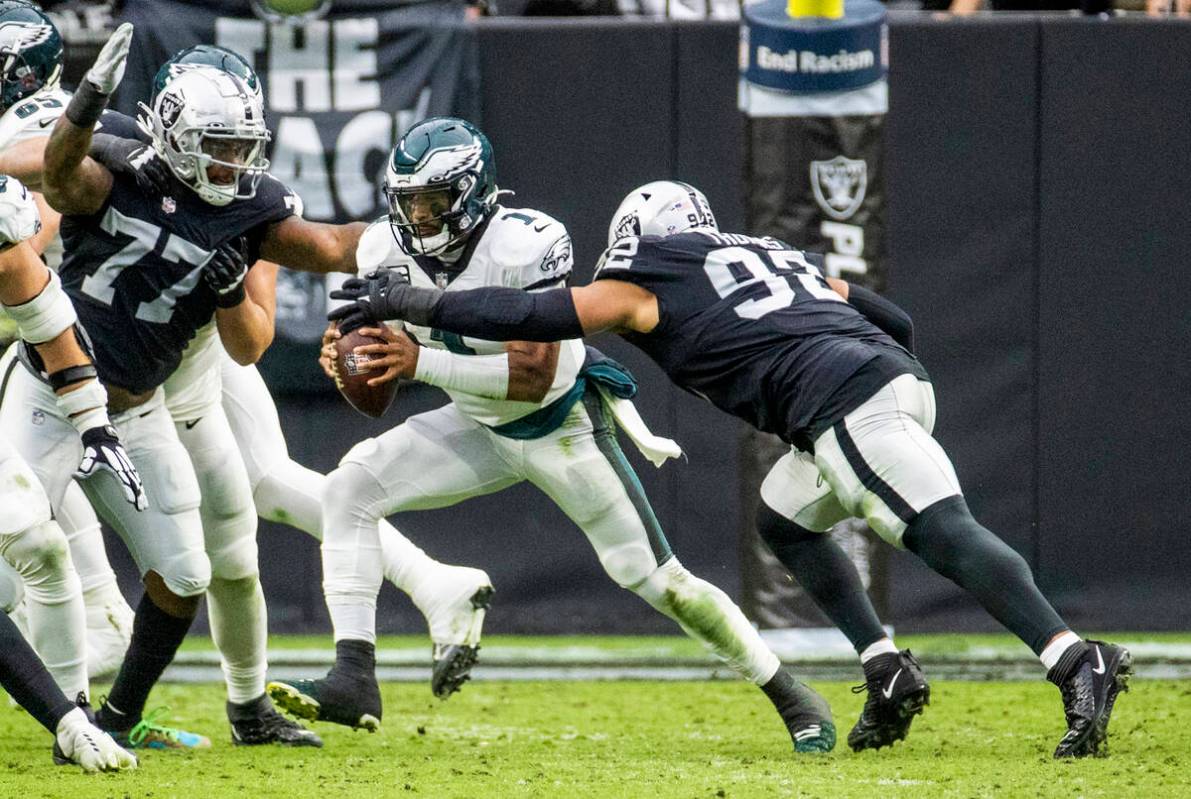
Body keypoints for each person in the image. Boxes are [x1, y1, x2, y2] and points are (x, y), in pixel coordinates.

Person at [331, 179, 1133, 759]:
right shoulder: (772, 251)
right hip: (875, 376)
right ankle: (884, 665)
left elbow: (543, 315)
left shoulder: (649, 275)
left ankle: (1072, 655)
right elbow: (896, 317)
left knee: (940, 532)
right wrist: (889, 383)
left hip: (839, 399)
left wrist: (417, 304)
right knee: (785, 519)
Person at [269, 118, 837, 754]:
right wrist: (354, 366)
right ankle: (353, 676)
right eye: (407, 203)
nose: (418, 218)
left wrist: (415, 361)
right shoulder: (383, 252)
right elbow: (376, 398)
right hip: (477, 425)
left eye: (432, 202)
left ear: (472, 194)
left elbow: (534, 377)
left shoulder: (527, 244)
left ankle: (792, 695)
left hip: (560, 428)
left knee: (657, 580)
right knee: (348, 489)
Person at [17, 21, 356, 750]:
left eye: (244, 147)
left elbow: (331, 249)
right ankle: (68, 717)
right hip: (48, 396)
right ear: (171, 133)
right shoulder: (115, 163)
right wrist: (82, 105)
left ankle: (112, 718)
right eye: (221, 146)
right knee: (23, 554)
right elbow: (54, 171)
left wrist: (412, 239)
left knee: (185, 572)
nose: (236, 162)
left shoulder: (251, 211)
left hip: (138, 413)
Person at [0, 0, 135, 682]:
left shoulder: (37, 119)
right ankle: (94, 642)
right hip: (46, 328)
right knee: (38, 513)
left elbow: (35, 222)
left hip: (75, 326)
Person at [0, 173, 138, 773]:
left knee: (44, 548)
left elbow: (57, 339)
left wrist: (95, 428)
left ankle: (72, 720)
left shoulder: (13, 262)